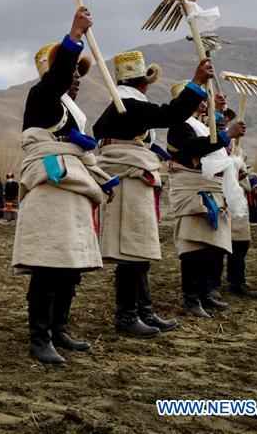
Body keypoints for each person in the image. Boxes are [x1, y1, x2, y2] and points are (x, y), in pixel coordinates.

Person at [11, 7, 119, 366]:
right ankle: (39, 337)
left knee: (70, 265)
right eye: (70, 71)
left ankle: (58, 329)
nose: (76, 77)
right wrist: (74, 35)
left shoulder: (73, 113)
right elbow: (55, 81)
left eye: (77, 72)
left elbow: (83, 154)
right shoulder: (40, 98)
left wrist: (103, 181)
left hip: (73, 189)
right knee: (48, 264)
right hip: (49, 188)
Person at [92, 51, 214, 337]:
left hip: (134, 178)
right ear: (143, 84)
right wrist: (196, 82)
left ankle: (143, 311)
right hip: (128, 180)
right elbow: (170, 114)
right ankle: (127, 316)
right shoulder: (128, 106)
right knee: (131, 251)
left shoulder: (123, 108)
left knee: (138, 250)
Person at [166, 83, 245, 318]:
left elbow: (214, 155)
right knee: (194, 246)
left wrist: (231, 169)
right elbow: (193, 149)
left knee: (210, 247)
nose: (203, 102)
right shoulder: (178, 125)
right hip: (193, 189)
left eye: (204, 99)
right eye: (199, 98)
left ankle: (204, 293)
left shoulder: (201, 124)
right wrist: (226, 135)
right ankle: (190, 297)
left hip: (210, 188)